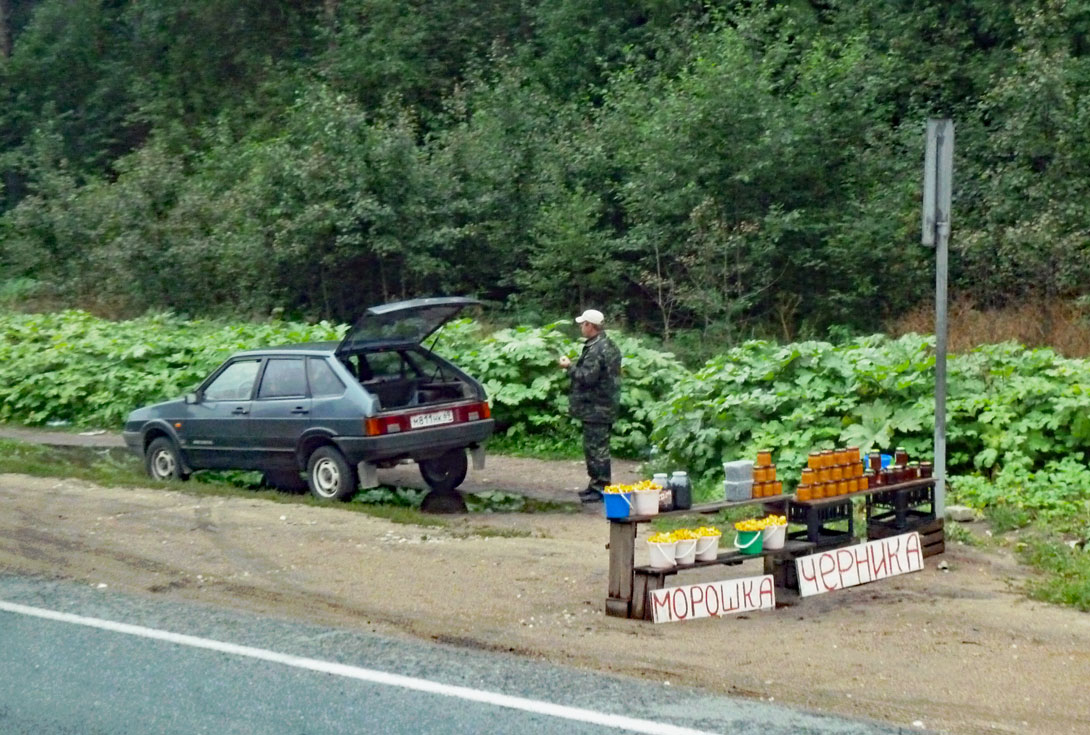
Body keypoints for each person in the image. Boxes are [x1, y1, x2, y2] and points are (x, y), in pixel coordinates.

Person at [558, 309, 622, 503]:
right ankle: (596, 484)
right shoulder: (607, 345)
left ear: (590, 326)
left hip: (597, 408)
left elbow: (587, 378)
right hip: (601, 405)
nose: (580, 327)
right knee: (594, 447)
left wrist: (569, 366)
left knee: (597, 449)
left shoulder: (597, 349)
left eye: (583, 323)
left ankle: (601, 487)